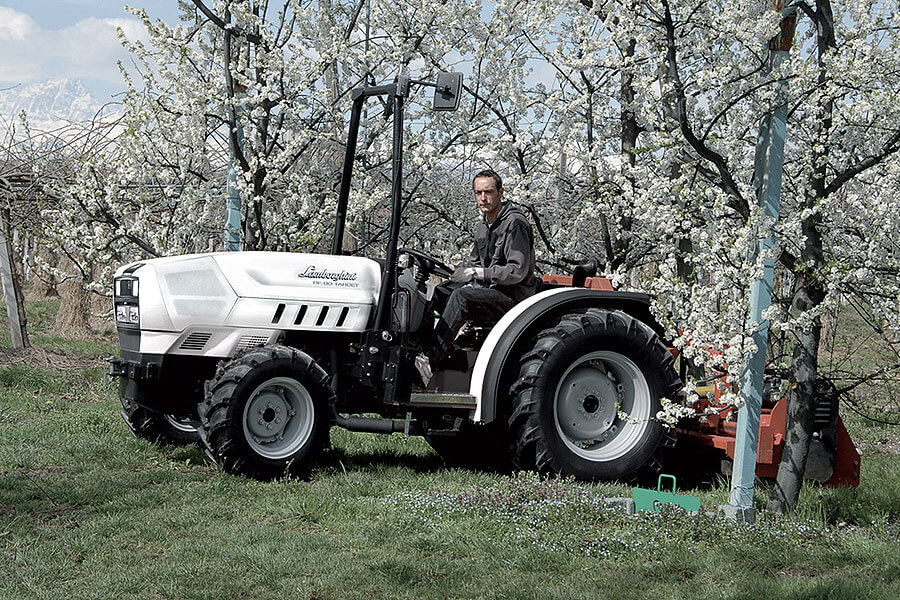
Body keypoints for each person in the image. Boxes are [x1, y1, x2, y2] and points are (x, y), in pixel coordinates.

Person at [416, 169, 537, 385]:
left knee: (461, 298)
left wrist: (476, 273)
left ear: (500, 192)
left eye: (488, 192)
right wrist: (458, 273)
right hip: (490, 292)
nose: (483, 198)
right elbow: (474, 264)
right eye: (478, 192)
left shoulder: (515, 223)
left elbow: (516, 271)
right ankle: (424, 349)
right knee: (441, 292)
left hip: (513, 298)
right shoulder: (484, 225)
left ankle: (429, 360)